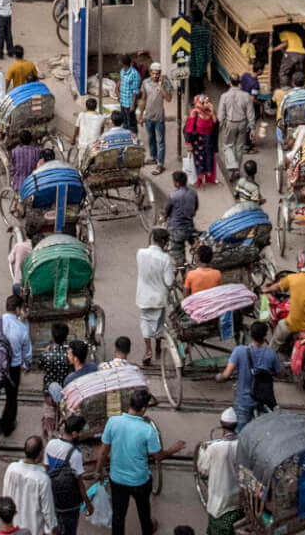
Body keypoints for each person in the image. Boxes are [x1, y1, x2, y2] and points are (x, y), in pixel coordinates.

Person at [99, 388, 183, 535]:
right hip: (140, 481)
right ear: (144, 409)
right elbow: (158, 457)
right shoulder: (147, 430)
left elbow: (104, 451)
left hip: (117, 479)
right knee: (144, 513)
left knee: (118, 517)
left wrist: (97, 470)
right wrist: (173, 450)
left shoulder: (113, 422)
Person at [0, 292, 33, 440]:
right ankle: (7, 426)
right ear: (17, 310)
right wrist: (27, 364)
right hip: (12, 369)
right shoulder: (22, 328)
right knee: (11, 397)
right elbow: (26, 352)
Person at [216, 321, 281, 428]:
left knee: (240, 432)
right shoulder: (271, 353)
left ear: (250, 334)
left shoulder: (239, 351)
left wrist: (219, 378)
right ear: (265, 336)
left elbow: (226, 375)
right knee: (264, 432)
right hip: (263, 401)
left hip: (243, 401)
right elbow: (280, 373)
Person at [268, 252, 305, 360]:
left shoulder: (292, 278)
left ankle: (269, 355)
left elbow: (276, 287)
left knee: (280, 330)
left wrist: (266, 289)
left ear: (300, 264)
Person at [196, 408, 240, 535]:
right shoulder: (243, 443)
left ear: (221, 424)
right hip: (237, 499)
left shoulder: (214, 448)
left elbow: (203, 469)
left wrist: (203, 451)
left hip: (219, 502)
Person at [135, 228, 176, 362]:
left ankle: (148, 349)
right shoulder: (166, 259)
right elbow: (169, 282)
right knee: (159, 323)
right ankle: (158, 345)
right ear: (164, 242)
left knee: (145, 323)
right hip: (159, 298)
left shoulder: (140, 253)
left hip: (144, 297)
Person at [2, 435, 56, 535]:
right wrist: (53, 529)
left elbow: (5, 497)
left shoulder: (11, 469)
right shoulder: (42, 479)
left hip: (13, 528)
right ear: (40, 454)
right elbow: (48, 512)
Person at [164, 169, 198, 246]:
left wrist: (165, 217)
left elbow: (167, 211)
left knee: (177, 252)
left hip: (177, 230)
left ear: (177, 183)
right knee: (192, 240)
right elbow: (195, 207)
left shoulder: (173, 196)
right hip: (190, 226)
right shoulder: (193, 192)